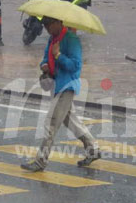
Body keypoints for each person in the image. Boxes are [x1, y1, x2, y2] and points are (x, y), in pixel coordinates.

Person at [21, 16, 100, 172]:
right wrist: (44, 65)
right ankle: (93, 149)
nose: (47, 28)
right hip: (56, 85)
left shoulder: (71, 40)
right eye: (45, 26)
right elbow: (44, 58)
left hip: (67, 86)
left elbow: (75, 66)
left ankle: (41, 160)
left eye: (49, 25)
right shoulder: (52, 39)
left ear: (58, 22)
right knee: (70, 121)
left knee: (50, 123)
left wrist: (58, 56)